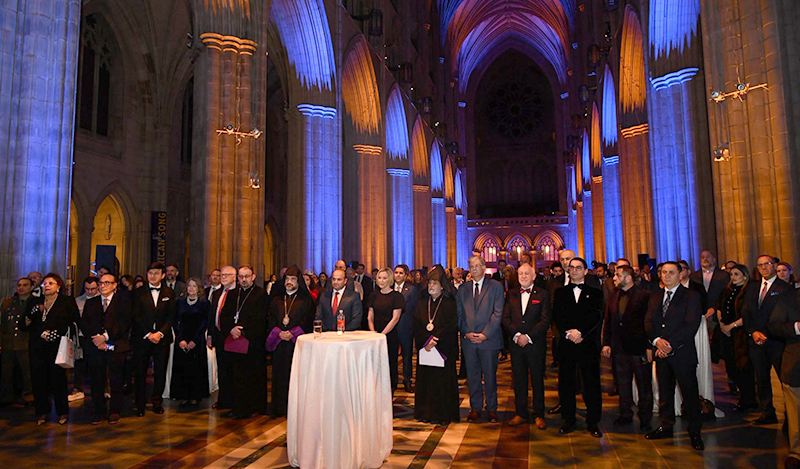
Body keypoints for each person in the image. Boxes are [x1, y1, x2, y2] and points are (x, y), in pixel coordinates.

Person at [644, 261, 704, 450]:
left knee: (690, 393)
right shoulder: (654, 297)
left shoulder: (691, 296)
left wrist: (669, 344)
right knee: (665, 393)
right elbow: (648, 322)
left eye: (671, 272)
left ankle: (695, 432)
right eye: (663, 272)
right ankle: (666, 426)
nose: (666, 276)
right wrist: (656, 342)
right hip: (661, 354)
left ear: (680, 275)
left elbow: (691, 325)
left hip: (682, 353)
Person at [553, 257, 604, 437]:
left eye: (578, 268)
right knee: (566, 383)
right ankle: (569, 420)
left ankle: (593, 422)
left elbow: (596, 316)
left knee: (591, 383)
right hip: (567, 343)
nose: (574, 270)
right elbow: (557, 316)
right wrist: (569, 332)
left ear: (585, 271)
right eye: (571, 268)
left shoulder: (596, 293)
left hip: (587, 343)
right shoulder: (560, 293)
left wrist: (581, 332)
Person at [742, 254, 794, 425]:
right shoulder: (752, 287)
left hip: (776, 341)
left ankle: (789, 415)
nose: (764, 268)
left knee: (784, 379)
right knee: (761, 378)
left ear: (774, 266)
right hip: (756, 340)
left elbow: (783, 316)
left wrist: (766, 334)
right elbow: (746, 313)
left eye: (767, 264)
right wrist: (753, 332)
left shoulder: (785, 288)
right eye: (760, 265)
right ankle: (767, 412)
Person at [22, 273, 79, 425]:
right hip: (37, 346)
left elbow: (74, 322)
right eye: (44, 283)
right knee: (39, 379)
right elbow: (24, 323)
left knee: (58, 380)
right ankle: (42, 412)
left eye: (50, 283)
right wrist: (34, 313)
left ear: (58, 286)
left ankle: (62, 412)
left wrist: (56, 332)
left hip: (57, 346)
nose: (46, 286)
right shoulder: (35, 301)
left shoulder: (66, 301)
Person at [601, 265, 653, 432]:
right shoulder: (613, 297)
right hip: (619, 349)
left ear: (628, 278)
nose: (614, 278)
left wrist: (649, 346)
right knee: (622, 384)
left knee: (644, 386)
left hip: (639, 349)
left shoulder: (644, 296)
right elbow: (608, 323)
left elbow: (650, 323)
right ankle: (625, 415)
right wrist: (606, 343)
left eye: (618, 275)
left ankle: (645, 419)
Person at [502, 263, 551, 429]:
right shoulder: (511, 294)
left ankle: (539, 414)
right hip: (516, 345)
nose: (523, 276)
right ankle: (520, 413)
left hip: (535, 344)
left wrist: (528, 336)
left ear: (534, 276)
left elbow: (545, 320)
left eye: (526, 273)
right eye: (521, 273)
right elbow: (505, 318)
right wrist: (517, 336)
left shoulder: (543, 294)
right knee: (519, 380)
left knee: (537, 380)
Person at [457, 255, 504, 423]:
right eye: (471, 266)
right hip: (469, 341)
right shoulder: (463, 289)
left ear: (484, 267)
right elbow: (459, 314)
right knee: (473, 375)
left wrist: (485, 334)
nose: (474, 268)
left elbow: (497, 313)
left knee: (490, 376)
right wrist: (466, 332)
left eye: (477, 265)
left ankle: (492, 408)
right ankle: (475, 407)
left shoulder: (495, 287)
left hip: (489, 340)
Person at [80, 273, 132, 425]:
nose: (102, 286)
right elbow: (85, 323)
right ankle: (99, 411)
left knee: (116, 379)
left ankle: (114, 410)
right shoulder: (92, 302)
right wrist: (97, 339)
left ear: (115, 285)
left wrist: (106, 337)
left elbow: (125, 323)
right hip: (96, 346)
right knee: (96, 380)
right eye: (101, 283)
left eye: (107, 283)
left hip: (116, 345)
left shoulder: (123, 301)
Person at [220, 265, 268, 419]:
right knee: (235, 376)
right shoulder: (233, 293)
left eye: (247, 276)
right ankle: (236, 407)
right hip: (234, 341)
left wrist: (243, 331)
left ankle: (253, 407)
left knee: (251, 375)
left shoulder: (260, 294)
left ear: (253, 277)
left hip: (252, 342)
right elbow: (225, 315)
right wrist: (231, 329)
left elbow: (261, 318)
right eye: (241, 277)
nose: (244, 280)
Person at [413, 266, 460, 424]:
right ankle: (424, 413)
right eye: (430, 283)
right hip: (425, 349)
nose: (431, 286)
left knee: (442, 382)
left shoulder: (449, 303)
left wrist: (435, 339)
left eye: (435, 283)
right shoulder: (421, 303)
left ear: (442, 286)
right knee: (426, 381)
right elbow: (417, 325)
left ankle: (442, 414)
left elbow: (450, 325)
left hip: (442, 349)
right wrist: (426, 341)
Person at [266, 265, 314, 416]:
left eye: (293, 279)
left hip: (296, 344)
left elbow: (308, 321)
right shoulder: (276, 300)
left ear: (298, 281)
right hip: (280, 343)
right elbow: (270, 319)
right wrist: (278, 332)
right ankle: (278, 407)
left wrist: (292, 333)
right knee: (279, 375)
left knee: (296, 375)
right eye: (287, 279)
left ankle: (295, 408)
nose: (290, 282)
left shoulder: (305, 300)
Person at [131, 262, 176, 417]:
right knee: (139, 372)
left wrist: (160, 333)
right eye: (150, 273)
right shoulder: (138, 292)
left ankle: (157, 402)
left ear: (163, 275)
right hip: (142, 339)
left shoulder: (169, 292)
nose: (153, 276)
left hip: (162, 339)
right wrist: (149, 334)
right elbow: (135, 316)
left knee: (160, 371)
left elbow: (171, 317)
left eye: (156, 273)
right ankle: (140, 404)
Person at [713, 264, 757, 412]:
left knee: (743, 367)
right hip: (725, 333)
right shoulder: (726, 291)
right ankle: (744, 396)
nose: (733, 277)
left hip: (740, 333)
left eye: (736, 274)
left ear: (744, 276)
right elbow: (719, 308)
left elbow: (748, 314)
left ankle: (748, 399)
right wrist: (722, 325)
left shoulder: (749, 292)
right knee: (730, 367)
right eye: (731, 275)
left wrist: (731, 326)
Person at [768, 287, 800, 468]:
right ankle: (797, 452)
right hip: (797, 363)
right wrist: (797, 327)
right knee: (795, 412)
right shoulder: (789, 296)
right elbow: (774, 325)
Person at [171, 278, 209, 407]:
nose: (191, 288)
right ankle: (183, 395)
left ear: (199, 288)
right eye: (189, 286)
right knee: (182, 368)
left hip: (197, 341)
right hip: (182, 339)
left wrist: (194, 341)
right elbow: (175, 322)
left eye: (194, 286)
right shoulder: (179, 303)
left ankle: (195, 396)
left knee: (196, 368)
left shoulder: (204, 304)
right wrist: (180, 339)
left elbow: (205, 323)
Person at [367, 268, 405, 391]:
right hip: (374, 335)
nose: (381, 281)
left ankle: (390, 390)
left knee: (390, 364)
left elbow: (395, 318)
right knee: (375, 364)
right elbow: (369, 316)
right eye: (379, 278)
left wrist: (382, 335)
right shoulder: (373, 295)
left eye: (384, 278)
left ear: (390, 279)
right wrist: (374, 334)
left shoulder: (397, 296)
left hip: (389, 335)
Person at [207, 265, 236, 410]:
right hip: (218, 336)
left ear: (234, 277)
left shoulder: (237, 293)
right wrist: (210, 334)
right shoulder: (217, 293)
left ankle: (232, 401)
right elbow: (213, 315)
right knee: (222, 369)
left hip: (230, 337)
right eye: (222, 275)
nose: (223, 277)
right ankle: (223, 399)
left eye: (226, 275)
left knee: (231, 370)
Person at [0, 278, 34, 407]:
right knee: (6, 373)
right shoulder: (8, 302)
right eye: (19, 285)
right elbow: (3, 324)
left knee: (27, 373)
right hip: (9, 342)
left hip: (25, 342)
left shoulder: (34, 302)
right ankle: (6, 397)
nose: (21, 288)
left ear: (31, 287)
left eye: (25, 285)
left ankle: (29, 396)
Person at [71, 276, 99, 402]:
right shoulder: (78, 301)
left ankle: (101, 388)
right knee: (80, 363)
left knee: (98, 365)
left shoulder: (101, 300)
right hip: (82, 336)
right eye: (87, 289)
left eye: (93, 289)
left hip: (98, 336)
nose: (90, 292)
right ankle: (78, 388)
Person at [690, 250, 730, 332]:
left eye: (708, 257)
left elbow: (726, 295)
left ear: (714, 259)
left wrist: (714, 308)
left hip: (718, 315)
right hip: (699, 315)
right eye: (702, 257)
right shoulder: (693, 276)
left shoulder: (724, 275)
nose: (705, 259)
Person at [393, 264, 419, 392]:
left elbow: (415, 309)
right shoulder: (389, 288)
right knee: (392, 356)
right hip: (391, 328)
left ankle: (407, 380)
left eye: (400, 273)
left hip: (406, 327)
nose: (398, 275)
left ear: (405, 275)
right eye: (396, 272)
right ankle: (393, 381)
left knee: (406, 356)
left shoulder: (412, 289)